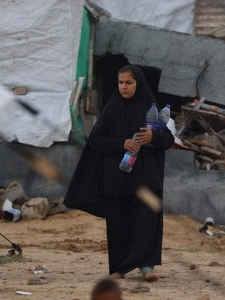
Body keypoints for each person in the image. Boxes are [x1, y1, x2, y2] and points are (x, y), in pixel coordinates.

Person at [64, 65, 174, 282]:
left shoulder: (151, 108)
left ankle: (147, 267)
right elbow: (96, 139)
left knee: (146, 220)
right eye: (120, 82)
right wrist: (121, 143)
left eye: (128, 83)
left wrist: (153, 137)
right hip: (118, 178)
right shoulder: (112, 108)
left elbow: (168, 139)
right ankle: (120, 268)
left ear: (138, 84)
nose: (124, 87)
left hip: (146, 177)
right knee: (118, 222)